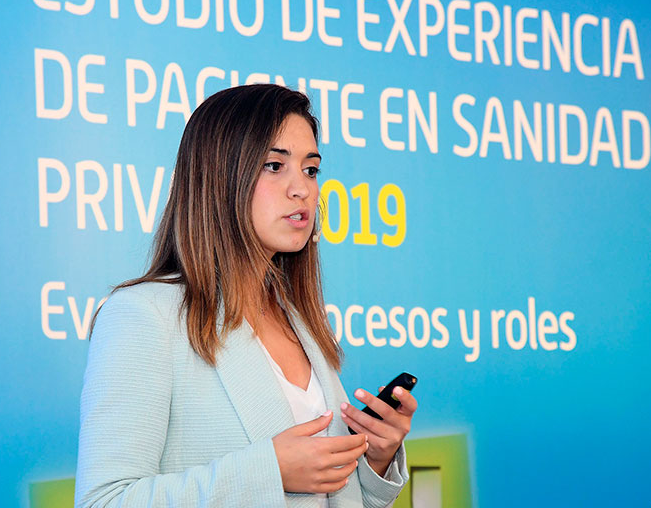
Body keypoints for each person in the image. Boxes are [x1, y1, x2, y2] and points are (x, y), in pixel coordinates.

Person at [74, 84, 417, 507]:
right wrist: (268, 472)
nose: (302, 189)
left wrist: (375, 459)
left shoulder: (299, 320)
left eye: (311, 170)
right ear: (220, 176)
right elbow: (104, 501)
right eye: (275, 166)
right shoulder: (143, 315)